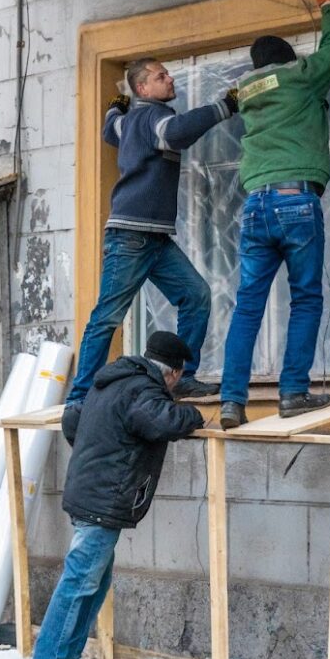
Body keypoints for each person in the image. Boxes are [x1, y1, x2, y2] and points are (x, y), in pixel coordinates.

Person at [217, 0, 330, 430]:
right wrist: (328, 5)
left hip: (255, 206)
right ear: (287, 58)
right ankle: (293, 392)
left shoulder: (249, 93)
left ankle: (232, 401)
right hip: (296, 200)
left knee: (248, 305)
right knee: (306, 299)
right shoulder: (299, 76)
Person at [64, 58, 238, 408]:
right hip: (131, 236)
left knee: (196, 295)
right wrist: (226, 106)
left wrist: (114, 108)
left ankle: (183, 379)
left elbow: (109, 129)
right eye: (161, 76)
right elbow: (176, 132)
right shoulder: (154, 116)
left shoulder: (128, 121)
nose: (170, 79)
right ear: (143, 88)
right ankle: (79, 399)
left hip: (154, 239)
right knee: (107, 316)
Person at [36, 332, 204, 659]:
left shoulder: (111, 382)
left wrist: (95, 454)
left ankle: (66, 658)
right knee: (79, 584)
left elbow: (72, 418)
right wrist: (194, 415)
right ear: (172, 373)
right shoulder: (143, 390)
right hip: (102, 503)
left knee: (93, 584)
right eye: (179, 379)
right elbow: (161, 422)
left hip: (88, 493)